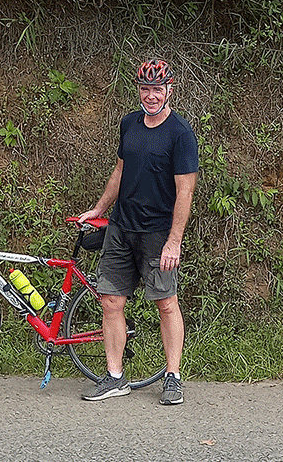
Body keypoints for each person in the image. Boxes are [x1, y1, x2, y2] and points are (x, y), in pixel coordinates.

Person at [77, 58, 199, 405]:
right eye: (145, 89)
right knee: (111, 302)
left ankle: (172, 376)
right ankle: (115, 377)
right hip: (121, 227)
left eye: (156, 89)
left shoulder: (180, 133)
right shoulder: (129, 124)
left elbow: (185, 192)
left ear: (169, 90)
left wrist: (174, 242)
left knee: (166, 302)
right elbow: (120, 169)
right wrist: (100, 209)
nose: (150, 95)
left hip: (158, 233)